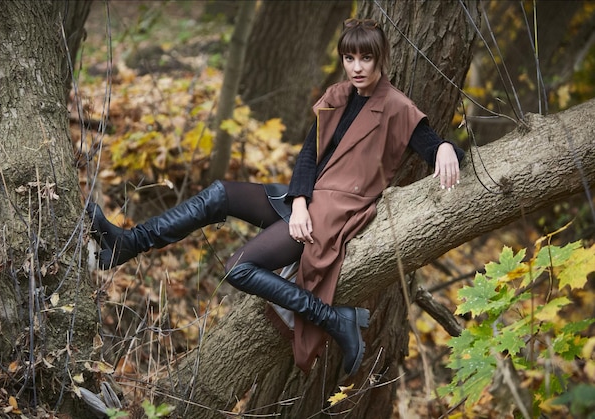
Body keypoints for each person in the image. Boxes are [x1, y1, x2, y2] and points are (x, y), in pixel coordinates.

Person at [87, 18, 464, 377]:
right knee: (220, 194)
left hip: (334, 212)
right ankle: (127, 244)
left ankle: (334, 319)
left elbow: (433, 147)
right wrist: (298, 201)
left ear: (381, 59)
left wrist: (446, 146)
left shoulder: (397, 107)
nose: (357, 67)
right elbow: (307, 157)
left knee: (238, 268)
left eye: (366, 58)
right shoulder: (339, 95)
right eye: (349, 58)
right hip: (304, 199)